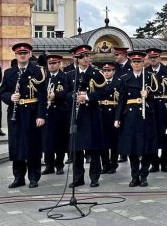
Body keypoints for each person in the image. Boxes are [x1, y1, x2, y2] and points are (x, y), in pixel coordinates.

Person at [0, 43, 46, 189]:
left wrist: (41, 115)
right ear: (15, 55)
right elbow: (2, 92)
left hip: (32, 113)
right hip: (16, 113)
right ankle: (18, 177)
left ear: (30, 54)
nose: (22, 55)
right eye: (19, 53)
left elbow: (43, 95)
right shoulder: (9, 73)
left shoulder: (38, 71)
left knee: (33, 146)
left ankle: (34, 177)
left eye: (25, 53)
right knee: (17, 146)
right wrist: (10, 97)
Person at [114, 51, 159, 187]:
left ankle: (144, 175)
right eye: (134, 62)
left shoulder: (150, 77)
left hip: (146, 116)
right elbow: (121, 100)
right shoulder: (125, 78)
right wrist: (117, 117)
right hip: (130, 116)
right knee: (131, 147)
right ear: (131, 63)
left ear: (143, 62)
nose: (136, 64)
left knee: (146, 147)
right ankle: (135, 176)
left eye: (139, 61)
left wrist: (148, 94)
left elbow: (158, 95)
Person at [66, 44, 106, 188]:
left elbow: (103, 92)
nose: (85, 59)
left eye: (88, 56)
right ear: (76, 59)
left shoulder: (96, 74)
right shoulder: (70, 74)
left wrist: (88, 97)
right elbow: (65, 93)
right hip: (77, 115)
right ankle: (78, 177)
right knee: (76, 148)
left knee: (94, 148)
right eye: (82, 57)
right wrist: (74, 96)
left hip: (92, 114)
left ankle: (94, 177)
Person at [145, 47, 167, 173]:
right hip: (151, 106)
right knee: (152, 135)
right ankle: (155, 163)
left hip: (165, 106)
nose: (153, 59)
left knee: (166, 135)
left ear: (160, 58)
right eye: (151, 58)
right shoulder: (145, 71)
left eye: (155, 57)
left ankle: (164, 163)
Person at [40, 54, 69, 176]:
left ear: (59, 64)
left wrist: (55, 96)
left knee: (60, 140)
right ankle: (49, 165)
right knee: (47, 140)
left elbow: (68, 93)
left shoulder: (65, 77)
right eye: (49, 63)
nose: (51, 66)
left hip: (60, 112)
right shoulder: (44, 77)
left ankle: (59, 165)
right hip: (47, 112)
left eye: (54, 63)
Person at [98, 61, 120, 174]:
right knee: (103, 142)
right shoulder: (99, 82)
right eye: (105, 71)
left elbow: (120, 101)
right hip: (102, 113)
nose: (106, 73)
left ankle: (113, 164)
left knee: (114, 142)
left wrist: (118, 117)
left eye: (109, 70)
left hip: (113, 113)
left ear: (113, 71)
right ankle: (105, 164)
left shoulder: (118, 82)